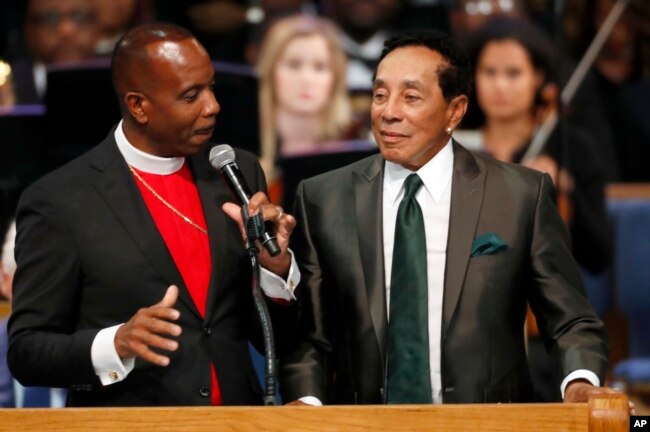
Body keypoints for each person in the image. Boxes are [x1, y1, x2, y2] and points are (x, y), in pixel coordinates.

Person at [280, 30, 619, 407]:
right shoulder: (323, 198)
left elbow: (570, 320)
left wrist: (580, 383)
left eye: (410, 97)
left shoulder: (520, 195)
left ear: (454, 111)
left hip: (489, 424)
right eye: (380, 95)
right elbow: (309, 336)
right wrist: (306, 407)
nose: (389, 111)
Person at [8, 22, 299, 407]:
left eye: (211, 87)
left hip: (236, 419)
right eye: (191, 95)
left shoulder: (235, 172)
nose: (213, 105)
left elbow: (269, 334)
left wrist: (274, 270)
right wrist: (115, 343)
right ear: (138, 105)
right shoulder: (59, 200)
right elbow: (27, 351)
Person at [459, 17, 612, 275]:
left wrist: (566, 190)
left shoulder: (572, 146)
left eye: (513, 73)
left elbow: (599, 257)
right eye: (489, 72)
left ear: (538, 77)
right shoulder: (456, 145)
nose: (500, 85)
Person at [256, 14, 354, 206]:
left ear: (336, 77)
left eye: (320, 67)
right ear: (270, 71)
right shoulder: (244, 158)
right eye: (294, 65)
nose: (307, 78)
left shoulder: (355, 156)